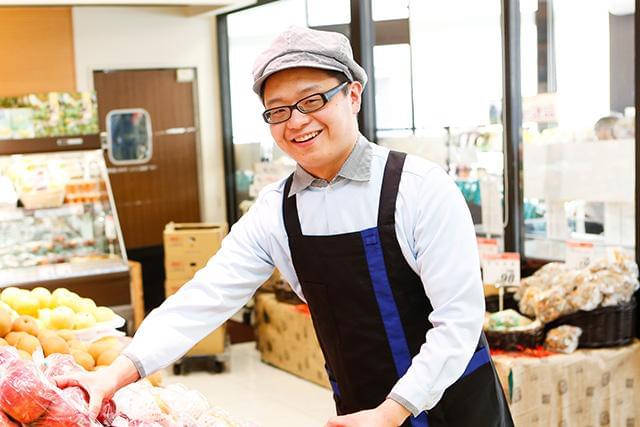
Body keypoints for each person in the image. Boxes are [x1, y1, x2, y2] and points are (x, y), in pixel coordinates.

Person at [56, 26, 513, 427]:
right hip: (359, 409)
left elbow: (459, 321)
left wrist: (395, 409)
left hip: (454, 402)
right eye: (278, 110)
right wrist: (116, 372)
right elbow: (205, 296)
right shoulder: (276, 211)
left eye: (312, 100)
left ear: (353, 95)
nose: (296, 121)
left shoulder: (420, 188)